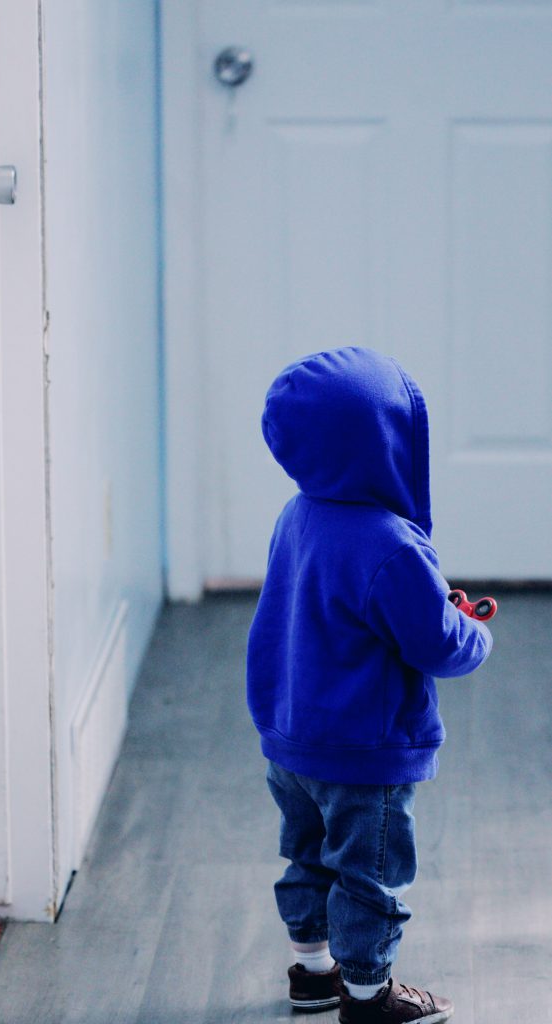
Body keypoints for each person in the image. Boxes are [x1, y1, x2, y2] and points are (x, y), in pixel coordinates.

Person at [245, 346, 493, 1022]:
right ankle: (367, 997)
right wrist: (472, 630)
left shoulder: (296, 515)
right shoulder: (391, 545)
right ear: (388, 442)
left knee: (305, 854)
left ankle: (311, 972)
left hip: (291, 742)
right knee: (369, 873)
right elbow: (439, 645)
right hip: (364, 753)